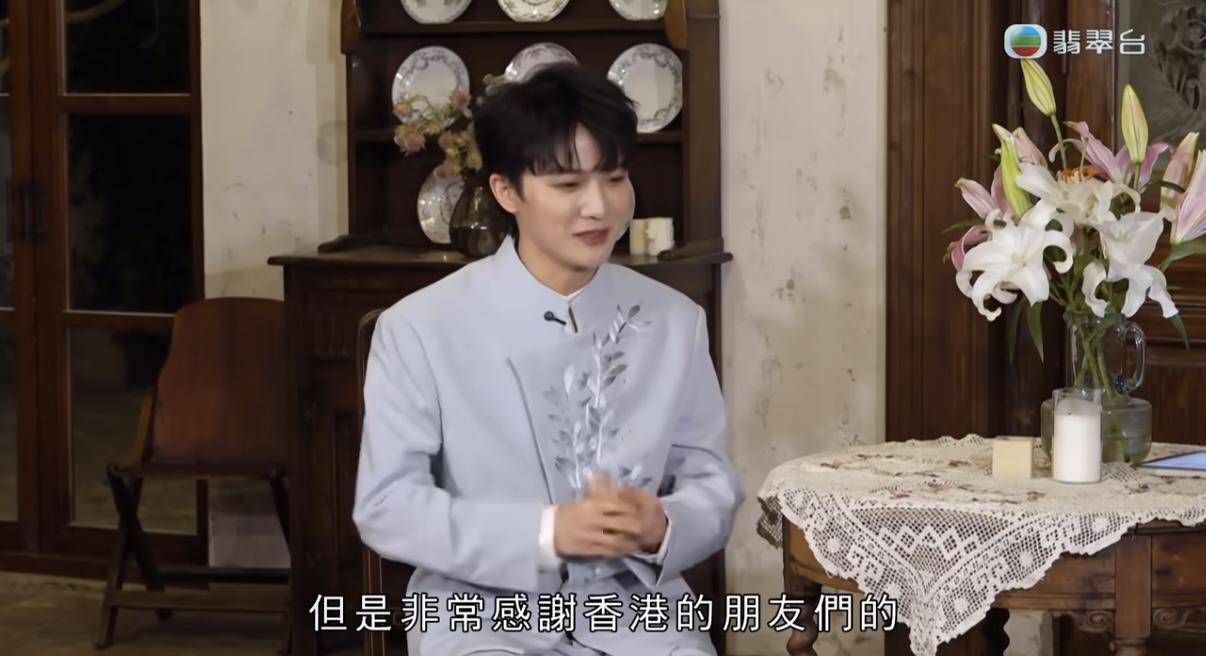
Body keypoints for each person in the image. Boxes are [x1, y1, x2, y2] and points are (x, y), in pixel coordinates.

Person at [352, 62, 743, 656]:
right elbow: (387, 506)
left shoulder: (674, 321)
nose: (600, 207)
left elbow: (710, 482)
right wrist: (544, 532)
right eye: (568, 185)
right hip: (483, 617)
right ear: (506, 191)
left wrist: (663, 525)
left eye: (615, 178)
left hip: (637, 618)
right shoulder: (420, 329)